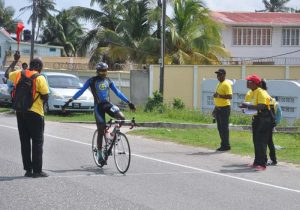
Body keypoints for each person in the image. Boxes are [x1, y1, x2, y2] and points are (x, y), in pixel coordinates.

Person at [62, 62, 136, 164]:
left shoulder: (108, 81)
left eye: (105, 71)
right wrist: (70, 101)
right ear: (97, 71)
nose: (103, 73)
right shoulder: (91, 81)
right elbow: (81, 91)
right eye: (101, 71)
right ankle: (100, 153)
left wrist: (129, 102)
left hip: (108, 105)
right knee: (101, 128)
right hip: (98, 107)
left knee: (122, 118)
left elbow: (118, 92)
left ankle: (112, 134)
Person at [5, 51, 50, 178]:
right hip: (35, 113)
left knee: (24, 141)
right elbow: (46, 96)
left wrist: (15, 60)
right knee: (37, 141)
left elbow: (7, 74)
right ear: (39, 67)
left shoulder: (19, 73)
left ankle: (28, 170)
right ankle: (37, 171)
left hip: (20, 112)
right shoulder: (40, 78)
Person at [239, 75, 273, 171]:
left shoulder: (261, 92)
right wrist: (244, 107)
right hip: (257, 118)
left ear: (255, 83)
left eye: (249, 81)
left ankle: (262, 164)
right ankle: (257, 161)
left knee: (261, 141)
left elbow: (262, 106)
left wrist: (248, 106)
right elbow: (253, 105)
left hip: (265, 119)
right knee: (256, 141)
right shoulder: (253, 92)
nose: (247, 82)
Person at [212, 69, 232, 151]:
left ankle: (226, 145)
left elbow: (230, 96)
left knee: (224, 128)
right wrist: (215, 109)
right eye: (217, 75)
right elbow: (217, 97)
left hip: (225, 108)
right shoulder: (219, 84)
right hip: (218, 108)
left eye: (220, 75)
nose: (218, 76)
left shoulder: (226, 84)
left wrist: (219, 96)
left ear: (224, 75)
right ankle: (223, 144)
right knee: (220, 128)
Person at [260, 79, 278, 166]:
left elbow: (267, 109)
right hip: (271, 121)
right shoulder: (267, 95)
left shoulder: (265, 96)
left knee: (267, 141)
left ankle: (269, 159)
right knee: (269, 141)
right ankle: (273, 159)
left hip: (268, 121)